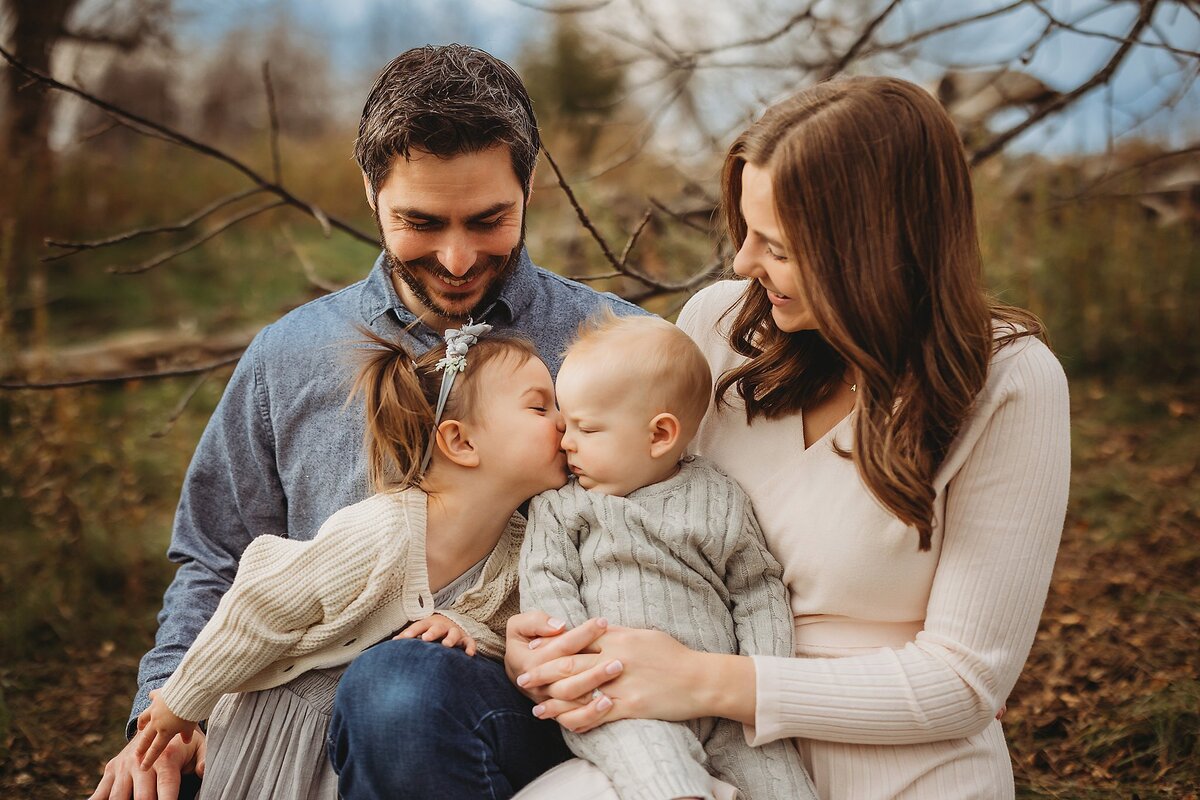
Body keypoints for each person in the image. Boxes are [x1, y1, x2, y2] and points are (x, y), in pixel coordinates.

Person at [90, 44, 644, 800]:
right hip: (290, 714)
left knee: (400, 692)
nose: (456, 258)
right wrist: (162, 719)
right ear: (370, 190)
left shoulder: (615, 346)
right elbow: (216, 558)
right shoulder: (290, 356)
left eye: (489, 220)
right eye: (421, 222)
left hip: (513, 711)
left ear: (531, 185)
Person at [507, 76, 1071, 799]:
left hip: (898, 760)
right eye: (745, 232)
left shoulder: (1006, 381)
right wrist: (541, 637)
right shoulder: (720, 326)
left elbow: (963, 679)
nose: (742, 264)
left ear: (870, 250)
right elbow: (620, 505)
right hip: (689, 748)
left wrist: (708, 680)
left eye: (775, 245)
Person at [130, 325, 569, 798]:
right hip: (287, 727)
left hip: (370, 734)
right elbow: (258, 611)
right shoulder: (378, 532)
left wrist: (463, 626)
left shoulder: (520, 546)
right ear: (460, 442)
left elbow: (504, 626)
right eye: (540, 407)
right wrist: (184, 700)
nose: (565, 421)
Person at [520, 312, 817, 800]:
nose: (565, 441)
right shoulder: (563, 505)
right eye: (563, 421)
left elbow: (757, 587)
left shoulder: (717, 497)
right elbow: (546, 581)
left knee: (779, 778)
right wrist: (580, 672)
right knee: (655, 770)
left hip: (725, 705)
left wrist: (760, 673)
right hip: (619, 699)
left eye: (586, 429)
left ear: (660, 435)